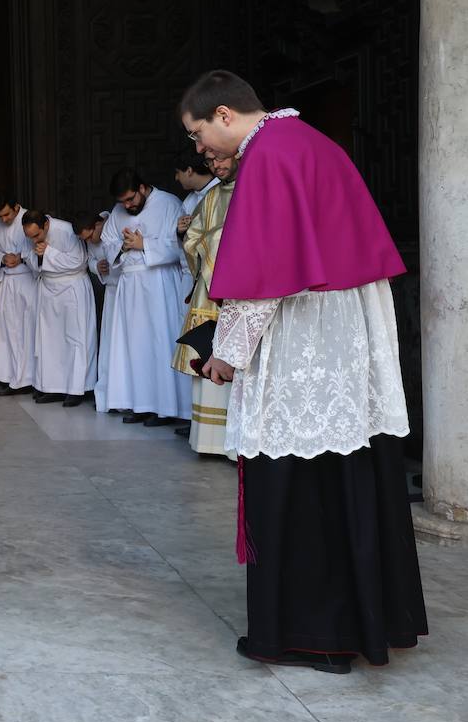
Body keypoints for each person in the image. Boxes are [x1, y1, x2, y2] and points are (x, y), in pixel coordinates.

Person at [181, 69, 426, 673]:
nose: (199, 149)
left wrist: (224, 355)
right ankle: (358, 626)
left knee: (297, 482)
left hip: (304, 341)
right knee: (347, 475)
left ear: (224, 115)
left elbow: (262, 285)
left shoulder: (268, 155)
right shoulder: (313, 142)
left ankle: (315, 636)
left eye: (197, 134)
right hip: (343, 335)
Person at [98, 169, 191, 427]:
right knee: (133, 346)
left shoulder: (169, 204)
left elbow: (182, 244)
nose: (127, 206)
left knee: (159, 342)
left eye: (130, 199)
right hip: (130, 286)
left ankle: (165, 406)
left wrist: (144, 245)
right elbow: (107, 242)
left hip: (159, 283)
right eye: (122, 202)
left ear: (142, 188)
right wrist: (123, 246)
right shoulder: (118, 213)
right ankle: (140, 403)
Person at [171, 152, 237, 458]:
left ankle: (235, 443)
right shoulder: (211, 197)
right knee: (206, 359)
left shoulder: (250, 188)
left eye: (221, 160)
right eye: (211, 163)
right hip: (208, 293)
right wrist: (185, 233)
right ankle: (209, 441)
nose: (216, 167)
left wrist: (212, 241)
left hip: (239, 293)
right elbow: (195, 239)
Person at [21, 210, 96, 406]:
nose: (34, 240)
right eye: (30, 237)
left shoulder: (66, 230)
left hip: (71, 288)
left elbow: (78, 261)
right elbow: (29, 257)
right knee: (50, 340)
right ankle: (53, 386)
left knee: (74, 338)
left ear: (46, 224)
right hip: (48, 288)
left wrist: (48, 253)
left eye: (36, 235)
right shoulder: (32, 236)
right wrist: (36, 256)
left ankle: (76, 388)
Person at [0, 194, 38, 396]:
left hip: (26, 282)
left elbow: (40, 246)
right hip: (6, 282)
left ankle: (30, 377)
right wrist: (2, 258)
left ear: (16, 207)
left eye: (6, 214)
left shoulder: (29, 218)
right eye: (0, 216)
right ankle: (9, 375)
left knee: (27, 329)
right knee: (6, 331)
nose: (3, 220)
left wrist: (21, 258)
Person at [76, 211, 117, 413]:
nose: (90, 241)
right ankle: (107, 391)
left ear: (98, 224)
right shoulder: (91, 241)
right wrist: (96, 266)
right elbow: (90, 259)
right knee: (108, 342)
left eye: (90, 236)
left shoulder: (114, 224)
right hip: (110, 291)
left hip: (125, 288)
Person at [174, 150, 221, 232]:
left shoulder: (223, 191)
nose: (176, 178)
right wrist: (181, 230)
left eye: (178, 172)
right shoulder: (190, 199)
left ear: (189, 171)